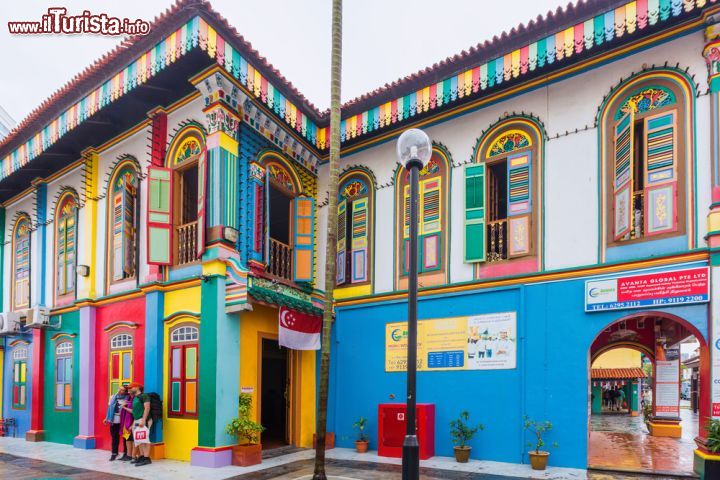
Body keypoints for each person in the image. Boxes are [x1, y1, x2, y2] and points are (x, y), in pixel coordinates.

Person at [123, 382, 153, 467]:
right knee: (139, 440)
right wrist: (124, 407)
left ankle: (147, 458)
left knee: (145, 440)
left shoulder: (144, 396)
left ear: (137, 387)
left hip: (143, 420)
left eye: (130, 388)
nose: (129, 390)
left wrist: (143, 420)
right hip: (137, 420)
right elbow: (134, 412)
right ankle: (142, 456)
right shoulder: (135, 398)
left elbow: (147, 408)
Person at [103, 385, 131, 461]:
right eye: (119, 389)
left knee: (125, 437)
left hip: (123, 421)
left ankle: (126, 453)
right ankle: (114, 453)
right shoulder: (112, 397)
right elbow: (109, 408)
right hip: (113, 420)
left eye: (122, 390)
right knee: (114, 437)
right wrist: (106, 418)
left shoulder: (128, 398)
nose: (119, 391)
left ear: (125, 392)